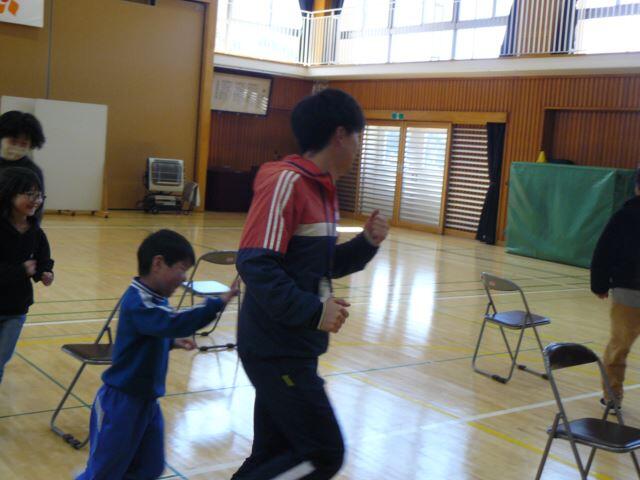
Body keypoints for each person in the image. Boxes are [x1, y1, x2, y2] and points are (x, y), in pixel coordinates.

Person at [232, 88, 389, 480]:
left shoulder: (322, 190)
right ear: (340, 135)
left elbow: (317, 267)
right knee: (322, 454)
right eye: (358, 136)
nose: (359, 147)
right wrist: (315, 311)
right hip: (276, 348)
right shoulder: (287, 182)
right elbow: (255, 263)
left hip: (296, 345)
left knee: (276, 454)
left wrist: (366, 244)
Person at [76, 229, 239, 479]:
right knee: (104, 473)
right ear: (158, 263)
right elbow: (172, 322)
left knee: (149, 468)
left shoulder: (156, 299)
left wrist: (170, 342)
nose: (183, 278)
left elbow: (151, 332)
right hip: (121, 403)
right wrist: (217, 303)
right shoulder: (139, 301)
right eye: (181, 269)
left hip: (147, 402)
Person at [591, 167, 640, 410]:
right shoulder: (625, 215)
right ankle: (612, 396)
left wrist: (599, 284)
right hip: (629, 289)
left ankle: (612, 397)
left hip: (628, 289)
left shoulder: (623, 215)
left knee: (619, 346)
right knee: (619, 346)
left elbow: (603, 251)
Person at [0, 166, 53, 384]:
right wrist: (21, 270)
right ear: (9, 193)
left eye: (39, 195)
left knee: (1, 359)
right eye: (29, 194)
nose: (36, 200)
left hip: (16, 308)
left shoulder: (35, 232)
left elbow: (43, 259)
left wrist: (45, 273)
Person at [0, 111, 46, 220]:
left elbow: (36, 209)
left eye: (23, 144)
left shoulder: (33, 171)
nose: (17, 148)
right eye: (13, 142)